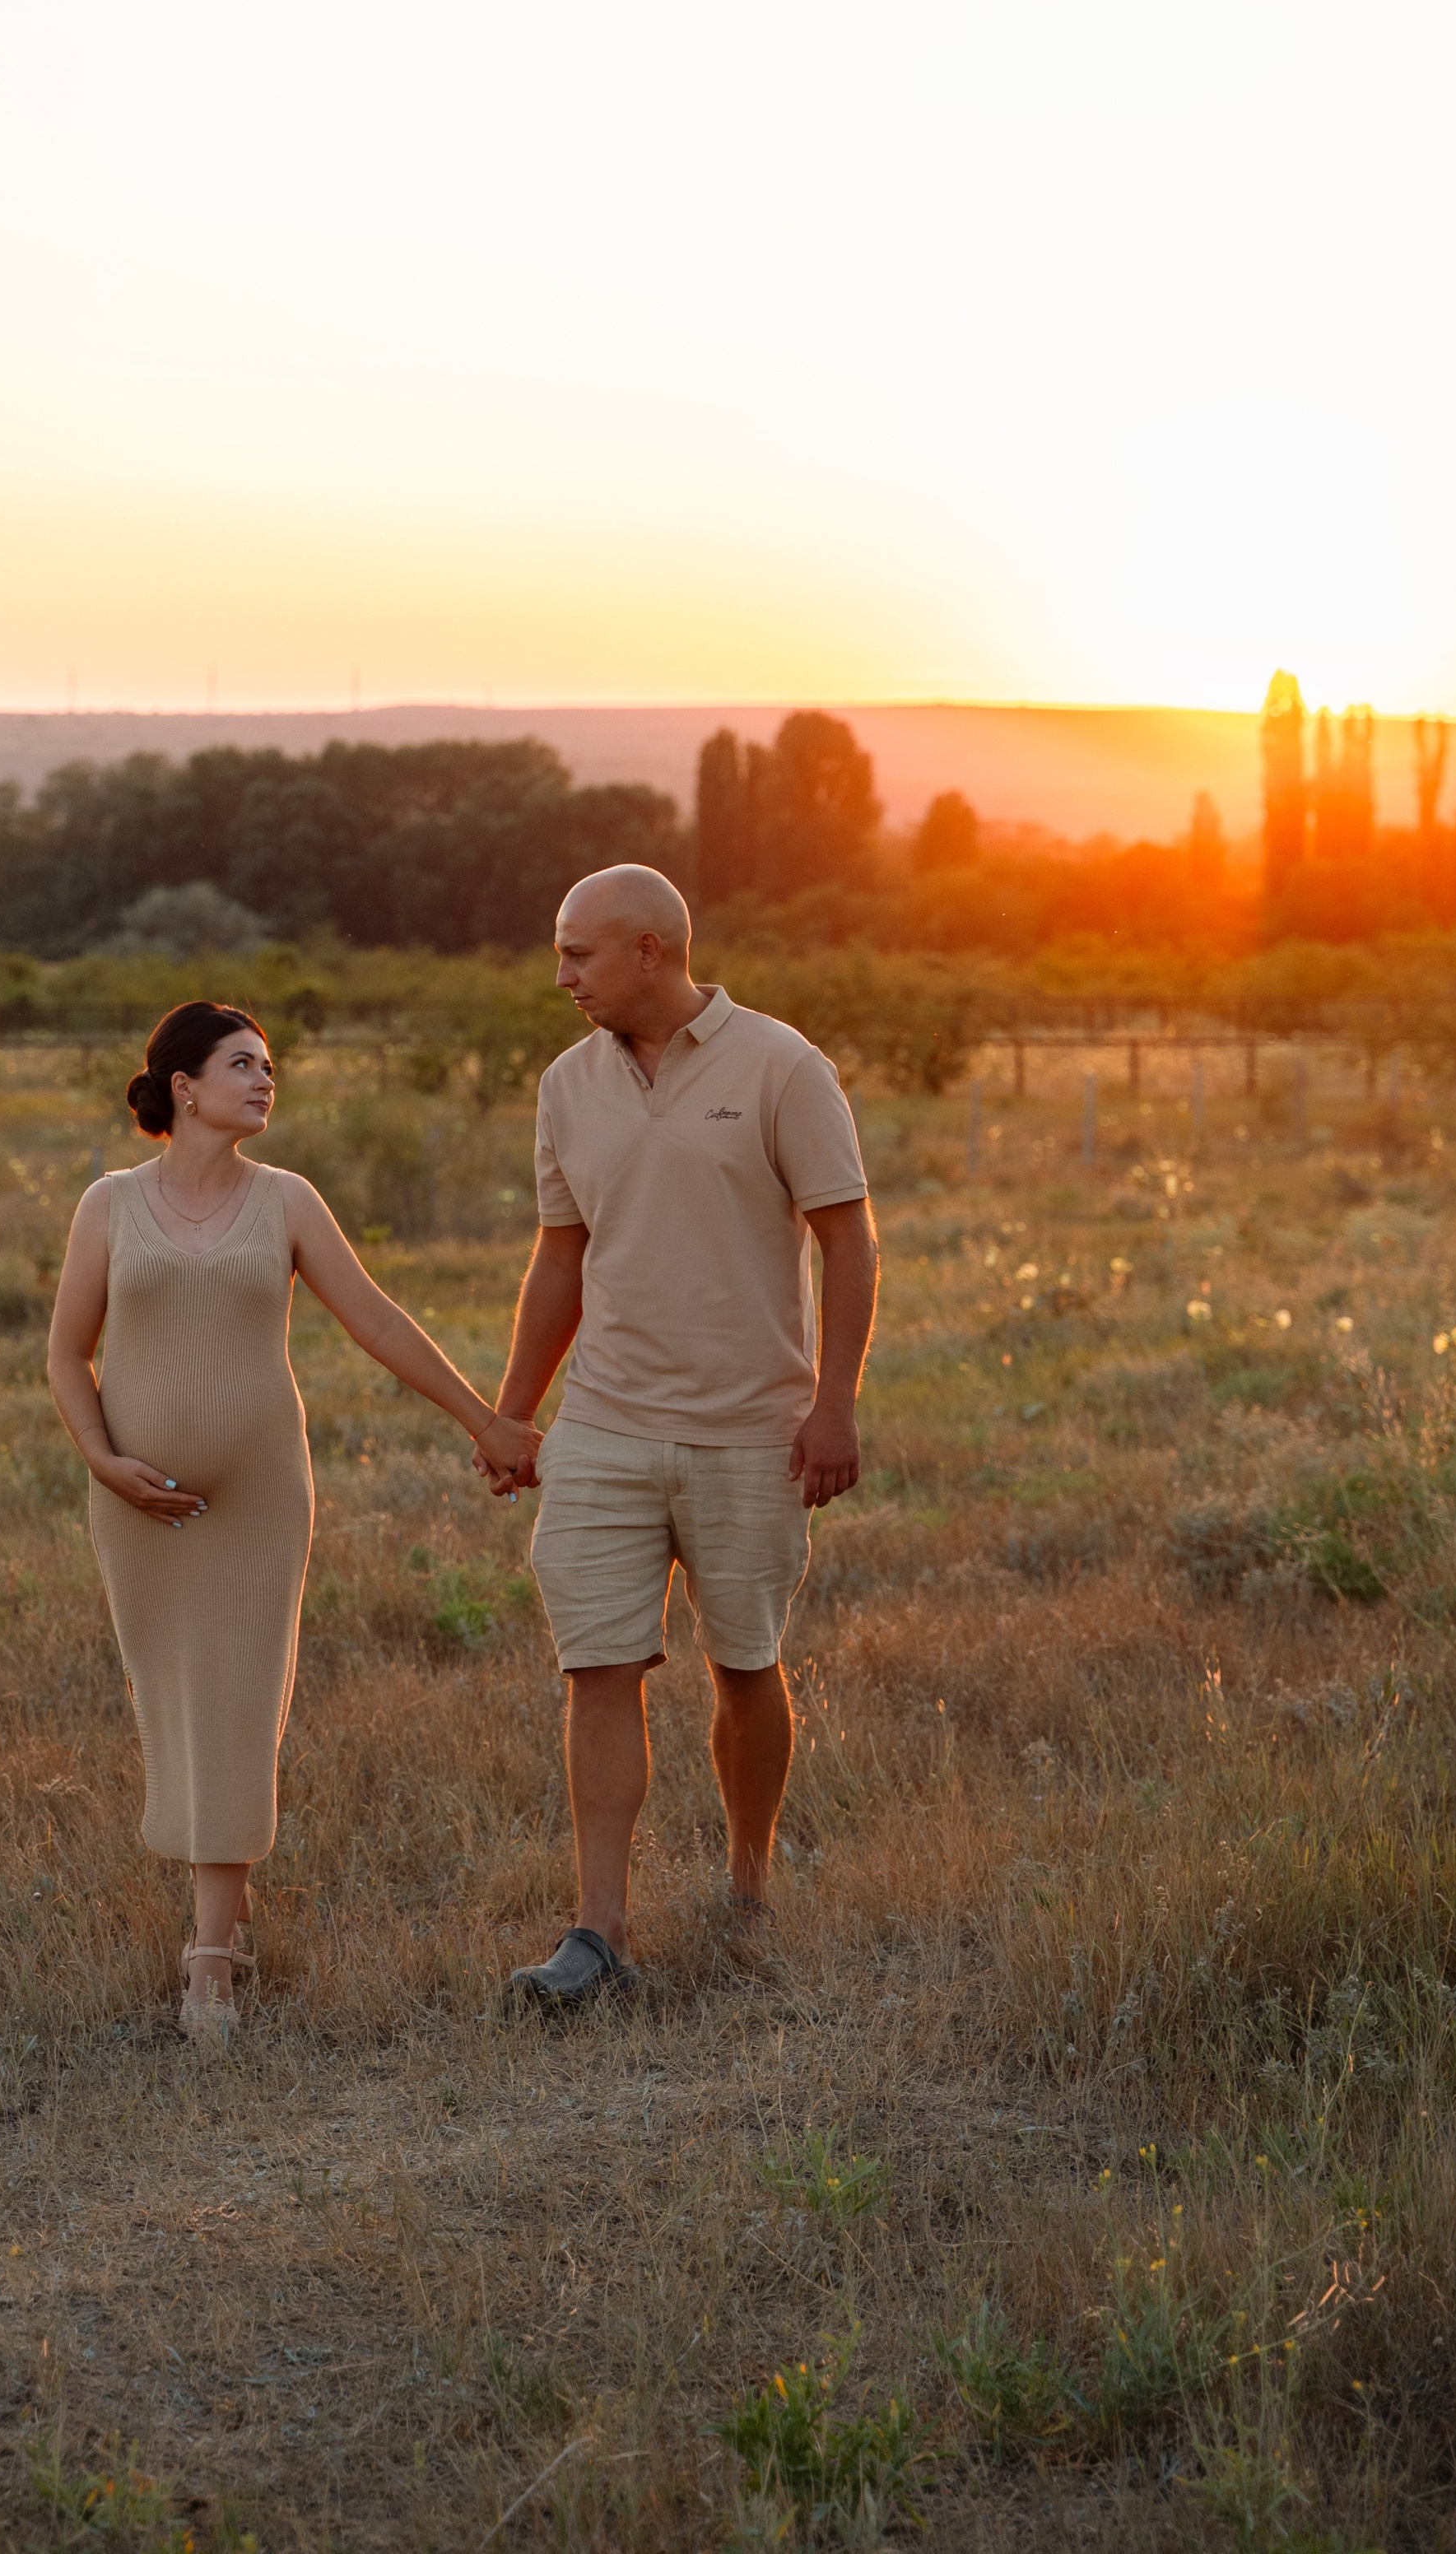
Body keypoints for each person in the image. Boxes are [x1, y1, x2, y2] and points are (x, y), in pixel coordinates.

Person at [48, 999, 540, 2045]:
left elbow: (377, 1321)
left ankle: (209, 1957)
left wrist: (484, 1420)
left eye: (269, 1065)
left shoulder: (287, 1199)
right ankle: (224, 1904)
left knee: (237, 1700)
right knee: (174, 1699)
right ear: (184, 1087)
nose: (265, 1079)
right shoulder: (109, 1202)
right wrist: (99, 1457)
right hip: (138, 1506)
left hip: (260, 1499)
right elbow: (65, 1350)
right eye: (243, 1064)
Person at [475, 866, 880, 2009]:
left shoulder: (782, 1066)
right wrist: (514, 1409)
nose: (561, 976)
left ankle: (747, 1888)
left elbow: (848, 1240)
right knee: (597, 1666)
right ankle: (597, 1932)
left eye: (578, 954)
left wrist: (834, 1404)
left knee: (743, 1665)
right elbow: (560, 1257)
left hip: (751, 1431)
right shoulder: (567, 1085)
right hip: (605, 1422)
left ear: (649, 950)